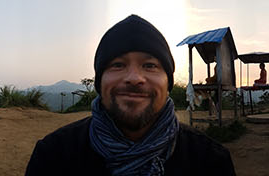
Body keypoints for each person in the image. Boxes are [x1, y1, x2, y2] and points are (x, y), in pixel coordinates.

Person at [26, 14, 236, 176]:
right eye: (117, 65)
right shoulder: (53, 157)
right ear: (100, 81)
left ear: (168, 82)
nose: (135, 78)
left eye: (150, 65)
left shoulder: (210, 162)